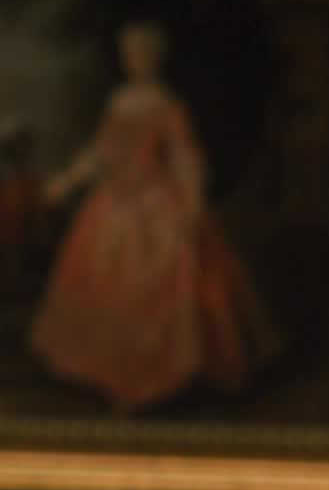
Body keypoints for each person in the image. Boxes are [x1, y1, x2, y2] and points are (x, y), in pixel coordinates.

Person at [29, 21, 277, 413]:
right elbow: (101, 152)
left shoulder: (167, 104)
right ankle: (116, 379)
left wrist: (191, 206)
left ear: (155, 58)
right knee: (105, 287)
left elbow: (185, 159)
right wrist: (67, 180)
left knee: (162, 284)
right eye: (128, 53)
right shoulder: (118, 100)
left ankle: (151, 383)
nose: (134, 60)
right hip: (113, 203)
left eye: (141, 53)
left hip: (154, 206)